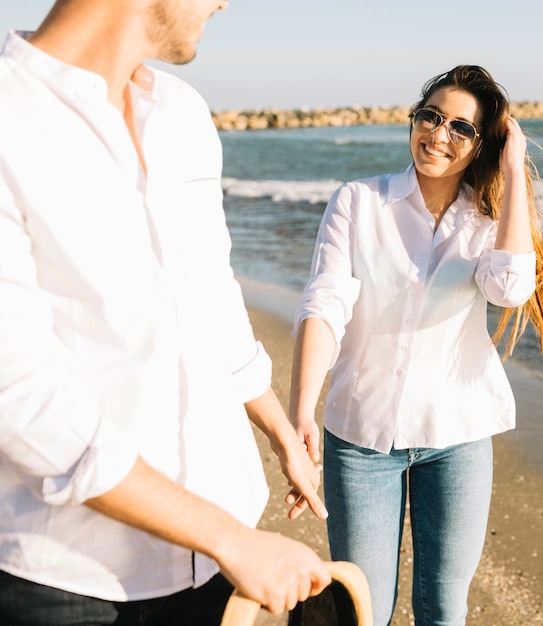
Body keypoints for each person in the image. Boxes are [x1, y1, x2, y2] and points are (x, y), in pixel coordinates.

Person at [0, 1, 332, 624]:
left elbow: (210, 295)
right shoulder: (8, 121)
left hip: (216, 562)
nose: (223, 2)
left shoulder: (181, 115)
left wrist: (280, 431)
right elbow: (23, 404)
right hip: (70, 583)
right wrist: (232, 540)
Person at [288, 65, 543, 626]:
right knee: (363, 610)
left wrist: (512, 168)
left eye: (462, 128)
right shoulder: (359, 202)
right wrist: (300, 415)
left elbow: (510, 289)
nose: (439, 134)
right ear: (413, 119)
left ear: (483, 144)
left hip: (456, 438)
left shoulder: (489, 224)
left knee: (443, 609)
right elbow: (324, 304)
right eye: (431, 116)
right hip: (361, 438)